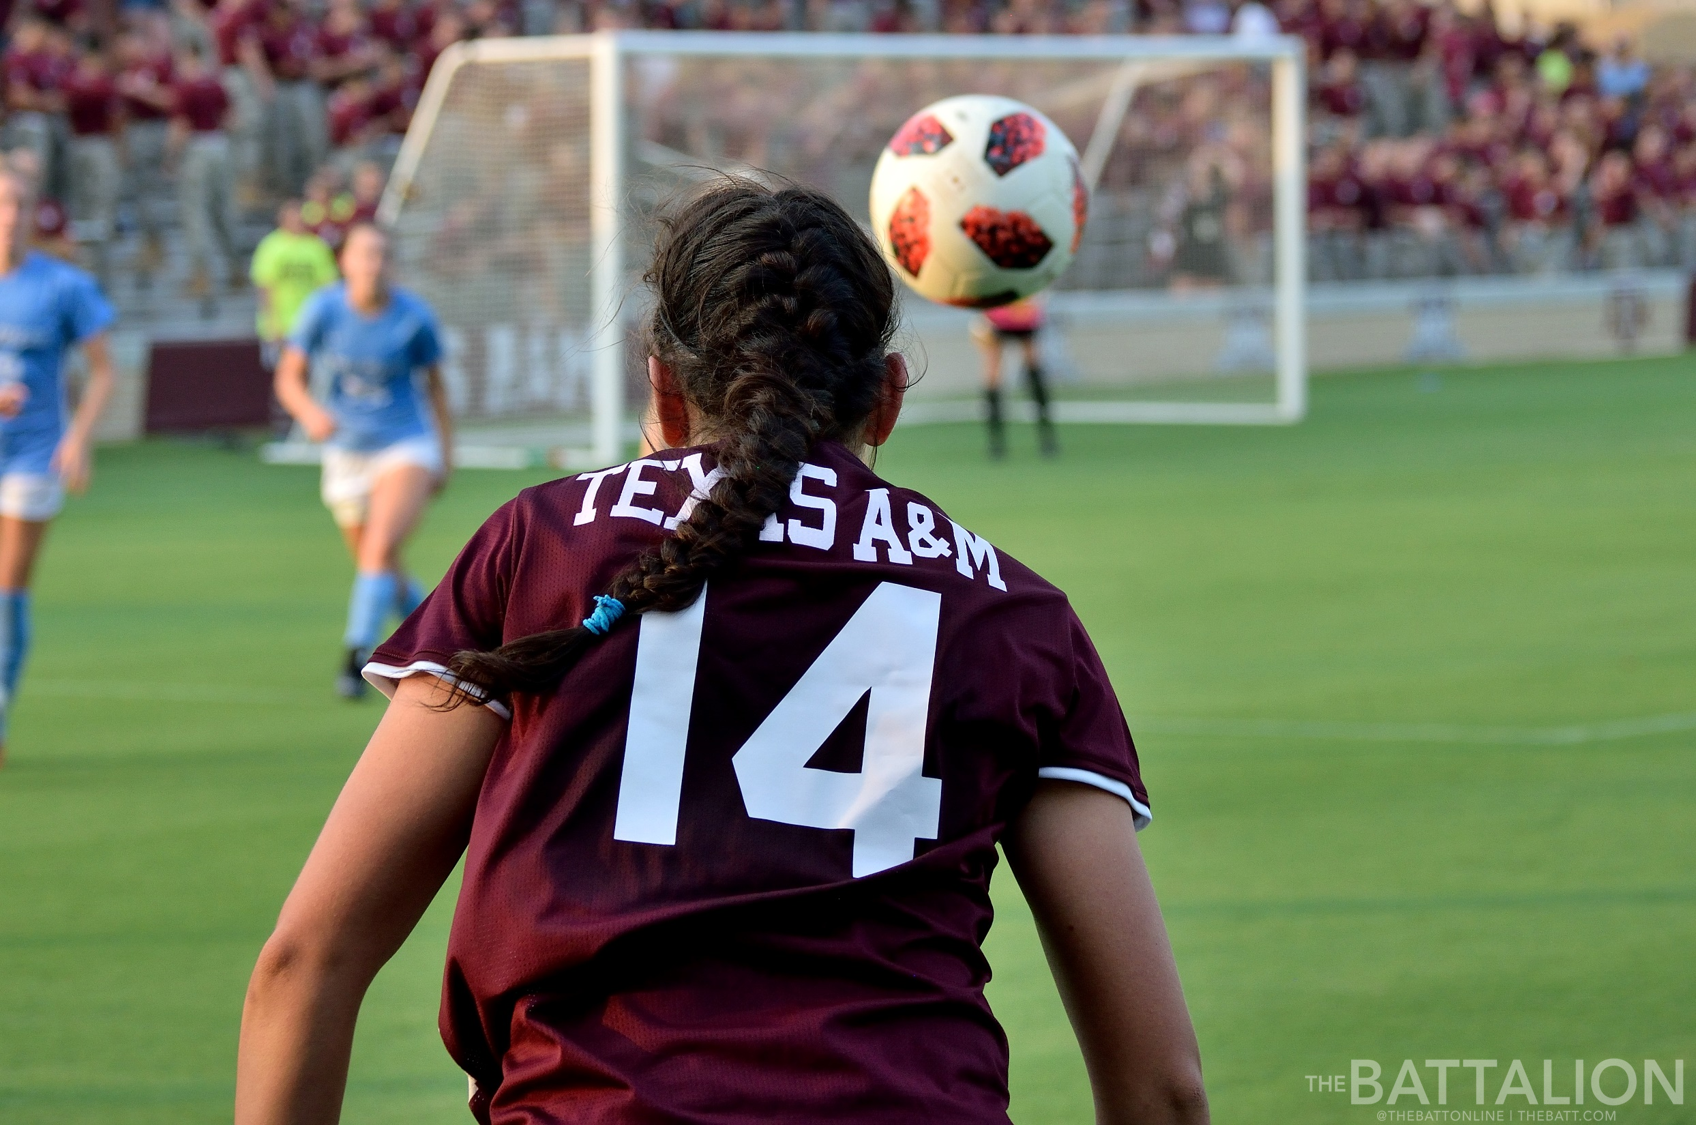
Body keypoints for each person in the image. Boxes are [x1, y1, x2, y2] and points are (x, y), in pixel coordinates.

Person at [235, 181, 1207, 1124]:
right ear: (888, 398)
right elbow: (1161, 1089)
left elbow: (307, 958)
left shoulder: (542, 545)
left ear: (658, 379)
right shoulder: (1014, 611)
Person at [272, 223, 452, 698]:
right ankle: (438, 638)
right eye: (365, 254)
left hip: (406, 445)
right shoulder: (323, 309)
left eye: (382, 255)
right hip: (346, 452)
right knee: (382, 563)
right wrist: (309, 413)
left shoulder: (413, 316)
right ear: (345, 262)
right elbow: (289, 377)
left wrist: (445, 455)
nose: (374, 263)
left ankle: (356, 657)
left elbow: (435, 388)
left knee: (376, 550)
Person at [0, 167, 115, 767]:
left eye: (19, 204)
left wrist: (78, 437)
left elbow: (103, 368)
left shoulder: (61, 286)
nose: (11, 216)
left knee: (7, 587)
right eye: (2, 205)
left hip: (33, 452)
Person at [169, 46, 240, 301]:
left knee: (195, 212)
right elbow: (232, 119)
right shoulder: (216, 85)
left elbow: (180, 127)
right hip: (220, 145)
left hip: (198, 148)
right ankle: (236, 268)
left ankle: (202, 274)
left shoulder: (186, 88)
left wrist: (171, 158)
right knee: (222, 209)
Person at [250, 199, 339, 370]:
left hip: (311, 324)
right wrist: (271, 325)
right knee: (285, 375)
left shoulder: (315, 246)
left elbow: (328, 287)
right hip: (282, 325)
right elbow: (265, 287)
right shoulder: (271, 246)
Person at [972, 295, 1057, 459]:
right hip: (1014, 314)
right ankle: (999, 442)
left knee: (1004, 374)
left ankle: (998, 444)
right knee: (997, 375)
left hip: (1015, 314)